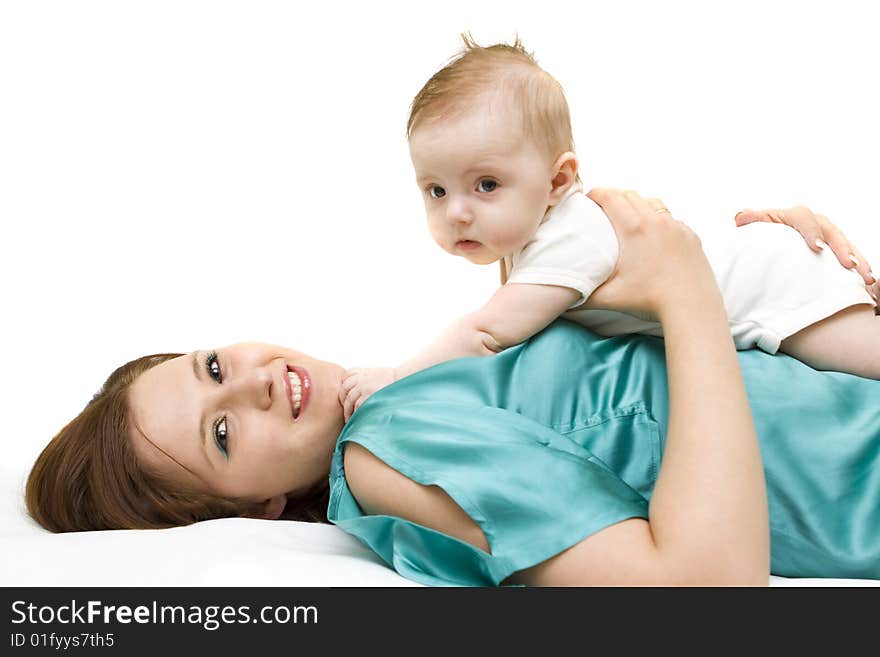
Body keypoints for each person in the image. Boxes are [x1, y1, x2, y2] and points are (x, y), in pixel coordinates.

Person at [25, 191, 880, 585]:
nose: (251, 383)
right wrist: (688, 285)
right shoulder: (383, 450)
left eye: (213, 364)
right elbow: (707, 589)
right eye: (221, 433)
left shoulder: (412, 390)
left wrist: (786, 280)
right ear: (256, 513)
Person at [339, 36, 880, 419]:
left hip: (775, 285)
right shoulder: (534, 239)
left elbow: (484, 335)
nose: (457, 211)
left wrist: (394, 377)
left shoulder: (566, 239)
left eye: (485, 185)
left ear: (557, 181)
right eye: (436, 190)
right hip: (756, 276)